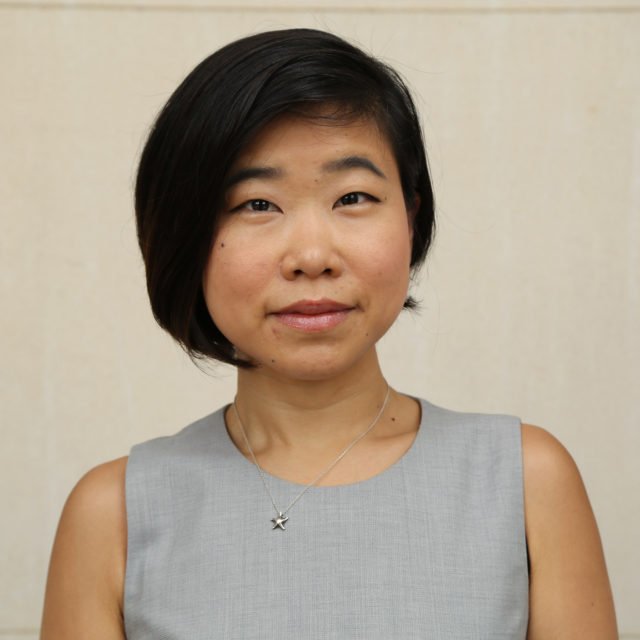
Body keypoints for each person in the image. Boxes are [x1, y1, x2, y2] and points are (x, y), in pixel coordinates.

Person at [41, 28, 617, 639]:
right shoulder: (114, 514)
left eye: (353, 197)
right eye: (257, 204)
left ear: (411, 217)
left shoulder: (525, 481)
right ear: (186, 236)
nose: (312, 256)